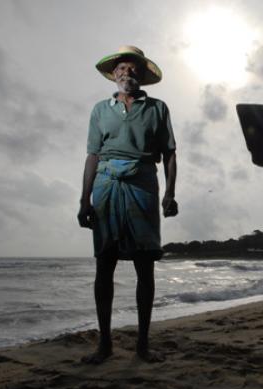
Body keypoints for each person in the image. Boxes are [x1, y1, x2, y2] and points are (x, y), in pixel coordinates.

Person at [77, 45, 178, 364]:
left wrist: (170, 193)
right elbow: (92, 155)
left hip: (143, 183)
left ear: (142, 75)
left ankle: (143, 346)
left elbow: (171, 153)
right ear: (114, 74)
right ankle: (104, 344)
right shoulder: (99, 110)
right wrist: (84, 199)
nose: (126, 72)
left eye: (132, 68)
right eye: (121, 68)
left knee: (144, 264)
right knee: (104, 263)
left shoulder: (158, 108)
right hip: (106, 185)